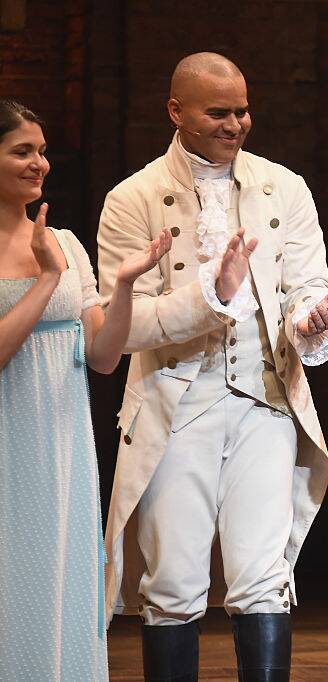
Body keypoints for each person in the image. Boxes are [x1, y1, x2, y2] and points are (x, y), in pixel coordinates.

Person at [96, 53, 328, 680]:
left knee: (264, 577)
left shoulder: (283, 187)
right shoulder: (132, 200)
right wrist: (213, 295)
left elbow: (306, 285)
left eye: (243, 110)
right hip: (176, 403)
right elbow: (126, 327)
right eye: (219, 112)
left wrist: (312, 318)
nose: (236, 124)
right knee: (174, 582)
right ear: (176, 111)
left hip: (265, 397)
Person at [0, 99, 169, 681]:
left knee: (60, 581)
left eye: (42, 151)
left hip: (61, 449)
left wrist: (124, 286)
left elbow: (101, 357)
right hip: (7, 443)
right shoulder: (53, 260)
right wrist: (46, 280)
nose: (38, 163)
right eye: (22, 151)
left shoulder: (67, 244)